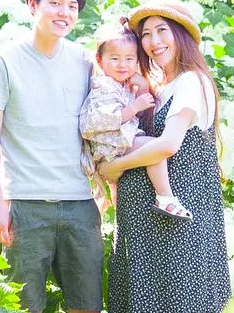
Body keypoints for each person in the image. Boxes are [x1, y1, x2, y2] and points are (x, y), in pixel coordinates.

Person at [0, 0, 105, 313]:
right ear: (33, 5)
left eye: (72, 6)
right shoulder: (2, 62)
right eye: (55, 3)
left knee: (88, 312)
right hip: (25, 205)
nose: (64, 13)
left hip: (80, 205)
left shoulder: (86, 62)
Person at [99, 0, 231, 313]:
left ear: (182, 36)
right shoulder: (161, 86)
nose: (154, 42)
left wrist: (115, 167)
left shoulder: (191, 81)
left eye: (162, 31)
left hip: (177, 217)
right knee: (157, 304)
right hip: (148, 221)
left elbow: (169, 144)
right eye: (146, 34)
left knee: (182, 305)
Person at [78, 24, 190, 220]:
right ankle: (165, 197)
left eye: (129, 59)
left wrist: (143, 86)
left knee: (120, 189)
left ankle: (123, 215)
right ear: (100, 60)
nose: (123, 65)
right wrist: (134, 107)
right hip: (110, 143)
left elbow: (142, 112)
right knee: (154, 149)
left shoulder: (122, 84)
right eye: (115, 59)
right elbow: (102, 120)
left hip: (119, 141)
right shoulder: (103, 85)